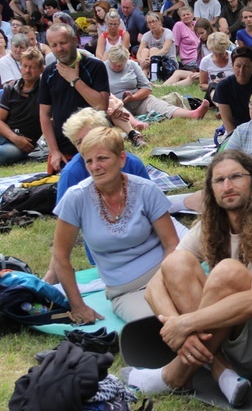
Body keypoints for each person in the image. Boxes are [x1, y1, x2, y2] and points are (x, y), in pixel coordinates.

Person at [122, 150, 252, 407]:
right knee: (176, 262)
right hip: (217, 338)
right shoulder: (211, 226)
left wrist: (183, 326)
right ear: (211, 190)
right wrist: (175, 324)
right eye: (219, 180)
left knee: (230, 272)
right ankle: (220, 369)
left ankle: (173, 374)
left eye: (236, 177)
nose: (227, 186)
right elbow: (154, 286)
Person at [52, 127, 179, 323]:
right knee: (156, 325)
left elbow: (171, 243)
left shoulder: (146, 190)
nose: (95, 166)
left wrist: (165, 281)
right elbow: (60, 258)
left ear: (121, 159)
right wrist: (78, 306)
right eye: (89, 161)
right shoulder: (76, 198)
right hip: (124, 290)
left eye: (102, 158)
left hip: (165, 275)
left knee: (196, 314)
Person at [39, 23, 109, 173]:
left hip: (97, 146)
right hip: (64, 151)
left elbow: (101, 105)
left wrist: (75, 80)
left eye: (63, 43)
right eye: (54, 45)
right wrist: (54, 151)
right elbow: (44, 115)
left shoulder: (95, 67)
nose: (59, 49)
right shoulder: (48, 73)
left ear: (75, 40)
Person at [106, 45, 209, 120]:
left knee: (161, 105)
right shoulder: (102, 67)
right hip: (114, 104)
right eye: (114, 64)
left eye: (121, 65)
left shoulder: (132, 65)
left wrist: (134, 97)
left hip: (138, 101)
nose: (117, 67)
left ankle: (192, 114)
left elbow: (147, 88)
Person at [215, 46, 252, 133]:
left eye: (246, 66)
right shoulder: (223, 86)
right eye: (238, 66)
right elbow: (227, 120)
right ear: (232, 66)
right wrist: (234, 139)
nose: (241, 71)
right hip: (236, 129)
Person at [138, 12, 177, 79]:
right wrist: (141, 60)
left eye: (154, 21)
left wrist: (151, 58)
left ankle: (153, 76)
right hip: (151, 62)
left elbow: (165, 50)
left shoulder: (167, 32)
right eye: (149, 23)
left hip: (168, 62)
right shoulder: (146, 35)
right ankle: (144, 76)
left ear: (159, 21)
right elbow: (139, 52)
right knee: (144, 51)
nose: (152, 24)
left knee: (153, 49)